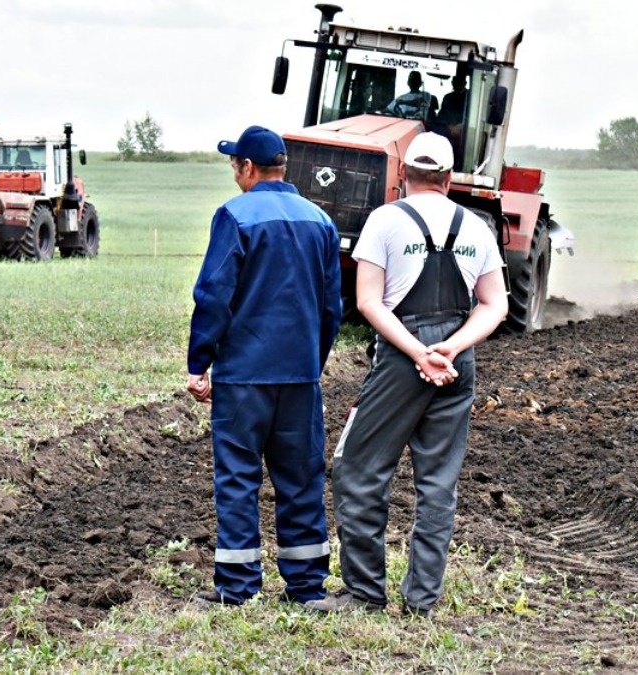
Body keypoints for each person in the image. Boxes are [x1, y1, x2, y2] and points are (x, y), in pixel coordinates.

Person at [308, 132, 507, 616]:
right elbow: (495, 304)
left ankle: (363, 591)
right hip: (455, 362)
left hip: (403, 357)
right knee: (438, 482)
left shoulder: (385, 220)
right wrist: (452, 348)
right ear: (448, 176)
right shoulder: (476, 226)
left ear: (405, 174)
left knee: (358, 468)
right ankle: (422, 600)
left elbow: (368, 302)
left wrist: (419, 353)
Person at [186, 125, 342, 606]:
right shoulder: (320, 220)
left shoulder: (234, 216)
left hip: (243, 377)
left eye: (235, 166)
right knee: (301, 479)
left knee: (237, 479)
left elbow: (214, 294)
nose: (235, 175)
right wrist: (310, 363)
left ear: (249, 168)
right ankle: (307, 588)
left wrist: (200, 361)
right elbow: (331, 307)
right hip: (299, 377)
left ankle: (237, 588)